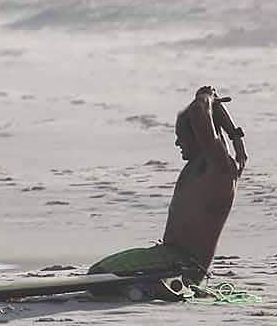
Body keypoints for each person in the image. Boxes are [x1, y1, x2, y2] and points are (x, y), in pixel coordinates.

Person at [88, 86, 248, 287]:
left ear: (198, 136)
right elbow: (211, 120)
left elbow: (200, 113)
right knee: (100, 275)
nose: (177, 142)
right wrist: (234, 134)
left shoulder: (219, 169)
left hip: (182, 265)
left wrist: (205, 95)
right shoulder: (205, 167)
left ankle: (150, 287)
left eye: (181, 135)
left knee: (97, 274)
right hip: (168, 258)